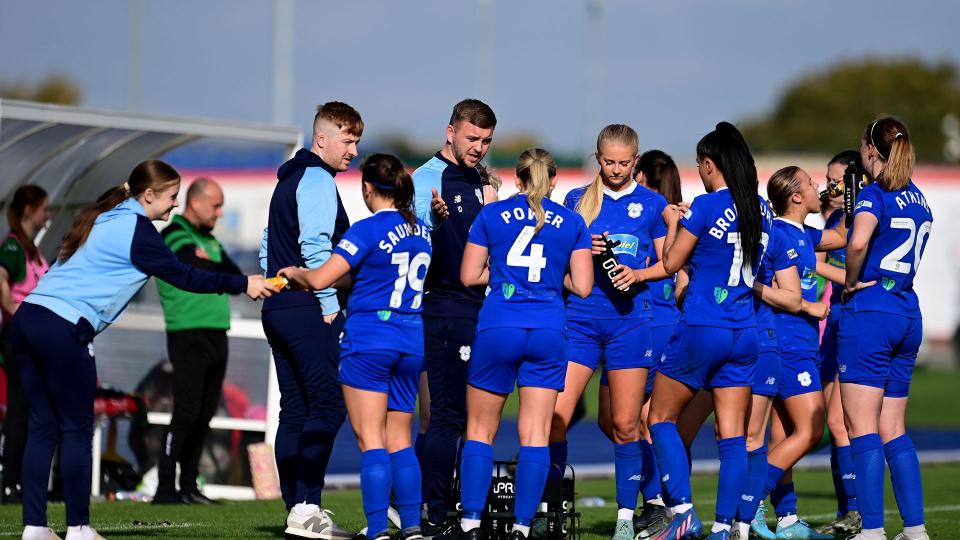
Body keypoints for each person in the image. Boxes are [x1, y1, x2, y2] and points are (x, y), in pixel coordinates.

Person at [10, 160, 272, 540]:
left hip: (27, 320)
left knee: (42, 428)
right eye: (172, 197)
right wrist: (243, 284)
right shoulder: (138, 229)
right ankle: (79, 529)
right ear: (148, 195)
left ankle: (34, 528)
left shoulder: (103, 216)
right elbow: (184, 275)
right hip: (62, 327)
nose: (176, 204)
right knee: (77, 431)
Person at [438, 148, 593, 540]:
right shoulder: (573, 222)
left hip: (499, 326)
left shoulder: (491, 215)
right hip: (548, 329)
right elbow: (584, 287)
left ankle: (472, 523)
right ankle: (522, 526)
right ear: (553, 180)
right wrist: (552, 277)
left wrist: (503, 273)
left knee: (479, 430)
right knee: (537, 433)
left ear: (518, 179)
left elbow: (468, 276)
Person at [280, 154, 431, 540]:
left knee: (371, 440)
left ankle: (378, 529)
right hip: (411, 338)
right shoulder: (421, 232)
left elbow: (321, 279)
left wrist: (295, 273)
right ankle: (412, 527)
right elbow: (376, 275)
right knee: (400, 439)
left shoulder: (366, 229)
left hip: (370, 339)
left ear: (367, 188)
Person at [647, 121, 772, 540]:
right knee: (733, 438)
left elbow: (670, 263)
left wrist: (672, 223)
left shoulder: (704, 206)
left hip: (703, 326)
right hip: (745, 331)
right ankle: (722, 528)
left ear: (708, 164)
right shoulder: (761, 209)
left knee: (659, 417)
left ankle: (683, 510)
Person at [549, 125, 670, 540]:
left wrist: (638, 274)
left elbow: (668, 263)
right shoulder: (575, 200)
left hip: (630, 324)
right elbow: (557, 261)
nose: (616, 170)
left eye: (623, 163)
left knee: (624, 425)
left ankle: (626, 517)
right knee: (556, 417)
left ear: (635, 160)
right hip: (580, 321)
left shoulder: (652, 203)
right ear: (597, 158)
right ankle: (553, 510)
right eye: (608, 162)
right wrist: (583, 253)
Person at [259, 101, 361, 539]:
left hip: (279, 306)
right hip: (307, 307)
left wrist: (273, 287)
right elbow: (316, 248)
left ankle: (297, 509)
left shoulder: (287, 180)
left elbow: (267, 245)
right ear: (322, 139)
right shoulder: (317, 178)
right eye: (348, 140)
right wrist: (329, 303)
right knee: (328, 403)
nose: (354, 150)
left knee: (296, 409)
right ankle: (306, 505)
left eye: (357, 141)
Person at [738, 166, 846, 540]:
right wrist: (806, 307)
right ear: (797, 197)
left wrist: (850, 197)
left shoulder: (803, 233)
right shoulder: (780, 233)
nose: (820, 187)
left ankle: (786, 519)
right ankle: (748, 503)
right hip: (786, 345)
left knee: (783, 437)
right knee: (812, 430)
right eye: (813, 184)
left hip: (801, 343)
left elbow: (842, 236)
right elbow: (772, 289)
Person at [840, 117, 932, 540]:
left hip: (871, 313)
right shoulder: (920, 198)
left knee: (862, 429)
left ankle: (872, 530)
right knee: (894, 428)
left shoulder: (874, 193)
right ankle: (915, 529)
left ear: (871, 151)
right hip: (907, 311)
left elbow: (858, 242)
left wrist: (850, 280)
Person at [412, 98, 496, 536]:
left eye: (486, 140)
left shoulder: (480, 180)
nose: (479, 147)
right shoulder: (427, 179)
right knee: (443, 415)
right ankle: (432, 513)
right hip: (441, 308)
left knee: (463, 416)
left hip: (477, 310)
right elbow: (410, 242)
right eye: (471, 138)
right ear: (450, 132)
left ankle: (430, 504)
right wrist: (432, 222)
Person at [594, 149, 686, 539]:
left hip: (649, 321)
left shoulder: (657, 213)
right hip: (651, 321)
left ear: (640, 172)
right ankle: (662, 501)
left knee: (638, 423)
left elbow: (675, 271)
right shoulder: (675, 216)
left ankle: (660, 502)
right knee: (625, 421)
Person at [152, 177, 244, 505]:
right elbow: (192, 267)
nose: (219, 213)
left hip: (216, 331)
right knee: (186, 411)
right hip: (188, 332)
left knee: (205, 413)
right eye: (215, 206)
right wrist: (212, 266)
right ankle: (165, 487)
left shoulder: (210, 240)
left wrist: (212, 264)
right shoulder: (174, 234)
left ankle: (189, 486)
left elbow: (235, 277)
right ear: (196, 203)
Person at [815, 150, 863, 536]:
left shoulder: (864, 217)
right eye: (827, 179)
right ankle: (847, 509)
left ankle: (858, 510)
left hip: (854, 322)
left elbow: (852, 276)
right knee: (834, 426)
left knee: (840, 421)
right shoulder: (833, 220)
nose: (829, 186)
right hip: (833, 326)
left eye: (837, 180)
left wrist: (808, 262)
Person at [0, 185, 50, 504]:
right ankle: (8, 482)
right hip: (18, 335)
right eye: (45, 209)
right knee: (18, 409)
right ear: (29, 210)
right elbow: (1, 278)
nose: (48, 215)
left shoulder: (33, 250)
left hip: (36, 338)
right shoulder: (13, 247)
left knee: (34, 409)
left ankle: (21, 481)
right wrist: (13, 309)